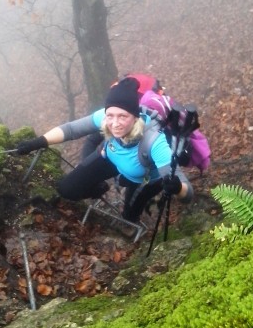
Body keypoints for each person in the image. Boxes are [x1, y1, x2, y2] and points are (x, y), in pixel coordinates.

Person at [16, 77, 193, 223]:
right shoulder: (105, 116)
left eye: (123, 116)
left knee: (129, 217)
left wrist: (176, 187)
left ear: (135, 117)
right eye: (110, 116)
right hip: (111, 158)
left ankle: (135, 217)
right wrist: (40, 141)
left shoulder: (154, 141)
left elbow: (188, 193)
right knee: (66, 189)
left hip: (142, 179)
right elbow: (71, 130)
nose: (115, 123)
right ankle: (100, 187)